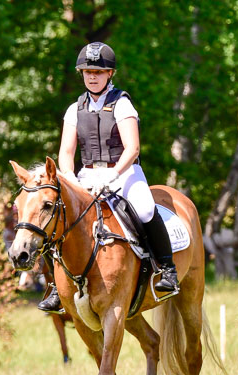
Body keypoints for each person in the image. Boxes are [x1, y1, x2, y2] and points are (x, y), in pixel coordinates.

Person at [38, 41, 179, 313]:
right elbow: (66, 152)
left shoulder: (122, 104)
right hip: (86, 175)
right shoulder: (74, 109)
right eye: (88, 71)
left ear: (109, 74)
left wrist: (112, 174)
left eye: (98, 72)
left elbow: (133, 148)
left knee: (146, 209)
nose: (92, 76)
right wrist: (70, 177)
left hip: (123, 171)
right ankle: (56, 286)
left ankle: (168, 270)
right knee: (56, 214)